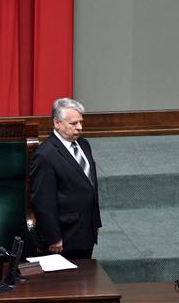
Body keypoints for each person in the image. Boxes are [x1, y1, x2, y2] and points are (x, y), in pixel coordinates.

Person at [30, 98, 102, 259]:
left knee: (86, 279)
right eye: (73, 123)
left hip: (86, 229)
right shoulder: (45, 155)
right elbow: (43, 201)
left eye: (81, 122)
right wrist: (53, 237)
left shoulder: (83, 144)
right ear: (57, 123)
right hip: (64, 235)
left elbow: (89, 184)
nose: (80, 128)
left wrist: (94, 222)